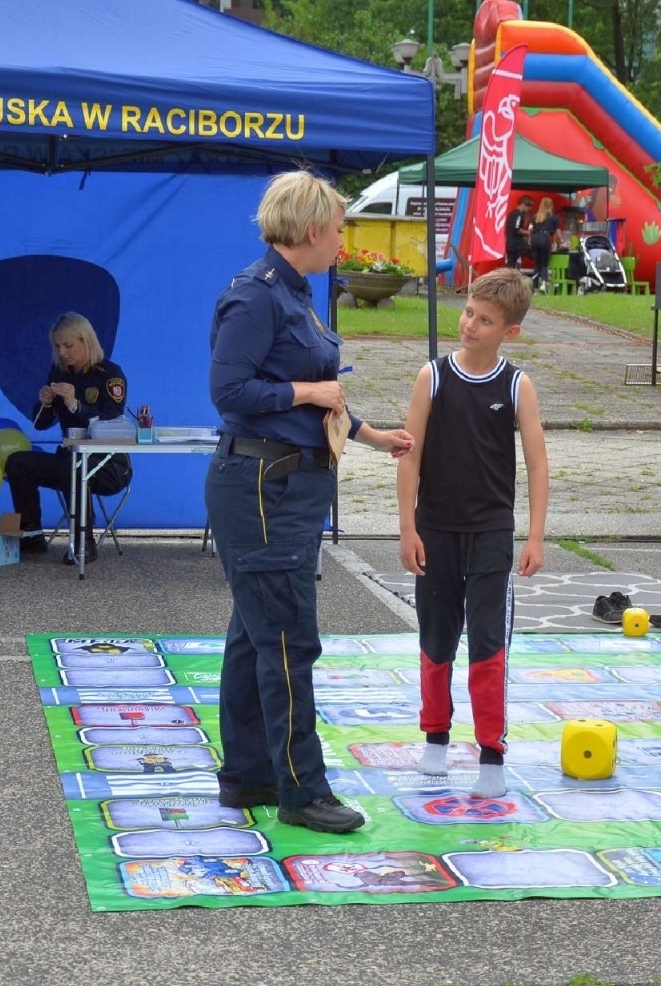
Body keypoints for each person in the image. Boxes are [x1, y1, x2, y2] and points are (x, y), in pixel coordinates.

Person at [207, 169, 414, 834]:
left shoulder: (297, 295)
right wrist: (305, 395)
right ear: (312, 228)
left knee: (254, 634)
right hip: (262, 489)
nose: (344, 240)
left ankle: (247, 774)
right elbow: (230, 392)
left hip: (290, 485)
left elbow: (321, 389)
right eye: (340, 227)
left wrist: (371, 435)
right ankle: (302, 788)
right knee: (289, 642)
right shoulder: (255, 296)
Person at [398, 268, 549, 799]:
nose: (470, 324)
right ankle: (435, 738)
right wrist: (407, 527)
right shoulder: (432, 377)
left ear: (510, 331)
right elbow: (408, 458)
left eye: (485, 320)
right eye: (468, 312)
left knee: (488, 647)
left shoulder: (517, 385)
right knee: (435, 639)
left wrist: (534, 536)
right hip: (435, 530)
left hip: (491, 534)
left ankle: (492, 753)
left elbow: (536, 464)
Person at [4, 312, 131, 564]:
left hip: (108, 463)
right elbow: (41, 424)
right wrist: (45, 403)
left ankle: (83, 541)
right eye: (57, 346)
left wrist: (75, 404)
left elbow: (111, 420)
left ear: (87, 341)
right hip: (68, 460)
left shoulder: (110, 374)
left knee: (75, 468)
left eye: (68, 345)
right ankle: (31, 535)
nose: (62, 352)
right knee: (17, 461)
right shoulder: (58, 372)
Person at [528, 197, 561, 293]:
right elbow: (558, 234)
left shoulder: (535, 216)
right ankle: (543, 284)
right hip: (545, 238)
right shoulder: (553, 217)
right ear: (551, 205)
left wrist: (530, 238)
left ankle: (534, 286)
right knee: (544, 263)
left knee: (537, 263)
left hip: (535, 238)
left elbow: (530, 228)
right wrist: (560, 243)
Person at [505, 195, 533, 273]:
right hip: (517, 245)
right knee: (535, 254)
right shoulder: (518, 214)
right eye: (529, 206)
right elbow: (516, 229)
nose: (530, 209)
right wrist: (527, 233)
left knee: (510, 266)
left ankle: (509, 280)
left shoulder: (512, 213)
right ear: (523, 204)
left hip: (510, 244)